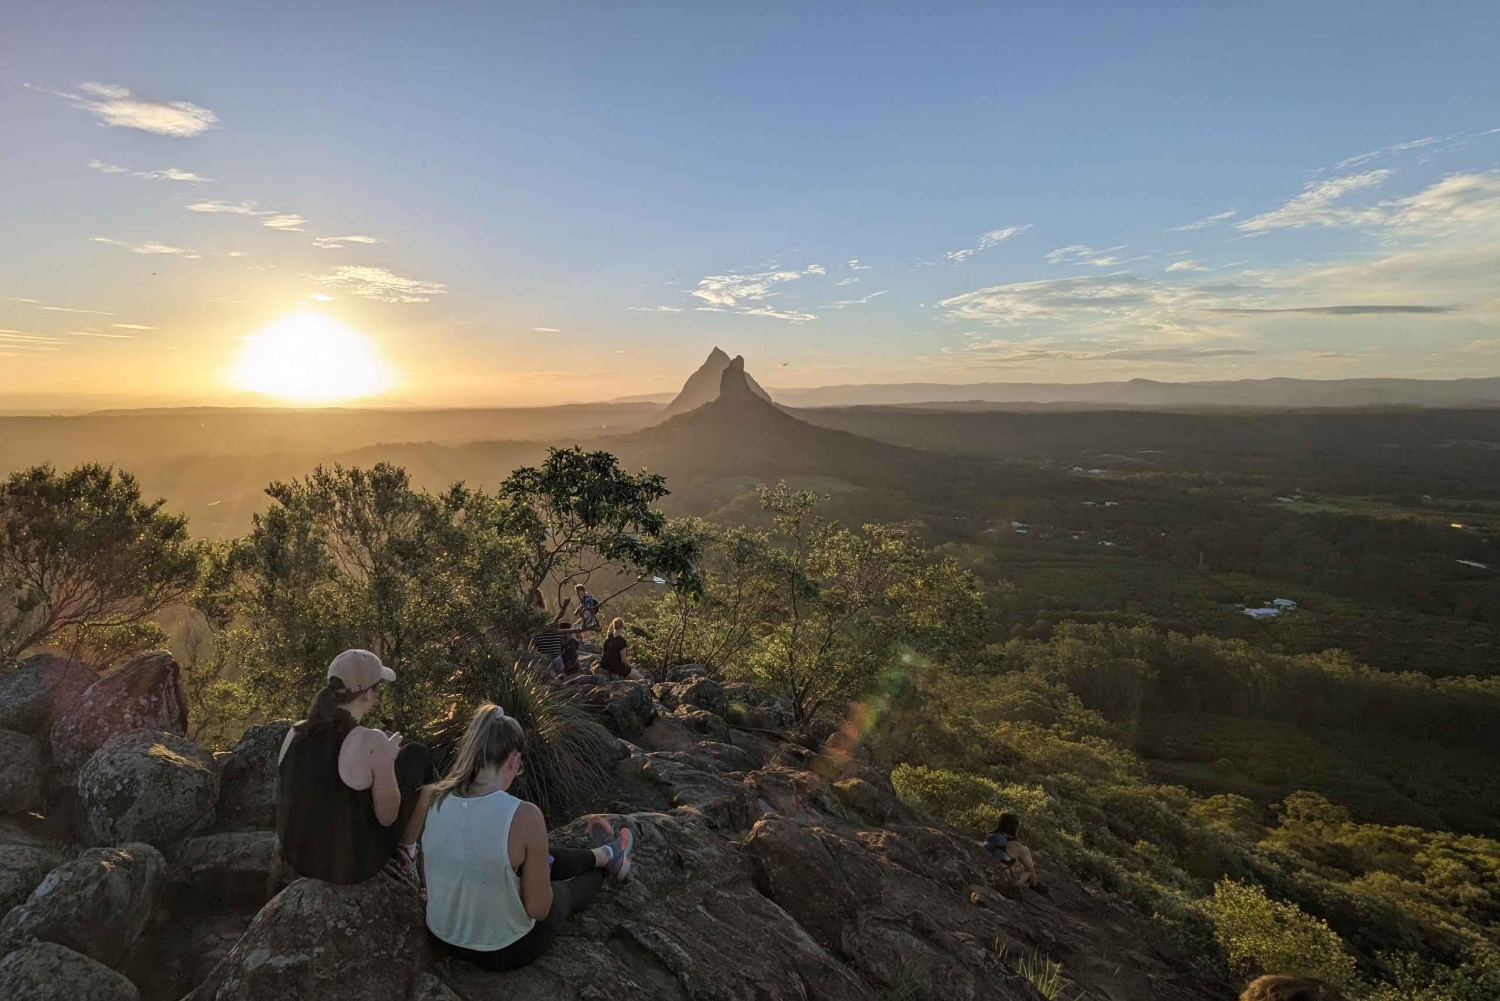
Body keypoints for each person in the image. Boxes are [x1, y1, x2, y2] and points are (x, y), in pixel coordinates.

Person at [420, 703, 634, 971]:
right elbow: (538, 909)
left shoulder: (432, 797)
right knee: (561, 891)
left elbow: (429, 875)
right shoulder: (524, 816)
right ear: (514, 760)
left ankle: (604, 854)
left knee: (537, 855)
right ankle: (611, 859)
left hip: (442, 935)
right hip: (502, 949)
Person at [277, 649, 433, 885]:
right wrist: (386, 761)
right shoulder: (370, 740)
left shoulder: (295, 731)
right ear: (368, 694)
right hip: (350, 867)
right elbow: (388, 817)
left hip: (298, 859)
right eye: (377, 689)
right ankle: (407, 852)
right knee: (417, 755)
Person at [985, 812, 1044, 892]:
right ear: (1014, 828)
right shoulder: (1016, 845)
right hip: (1005, 875)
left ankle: (1034, 884)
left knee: (1022, 861)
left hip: (989, 870)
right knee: (1030, 868)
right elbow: (1030, 868)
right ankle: (1022, 885)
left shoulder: (992, 836)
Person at [599, 617, 645, 681]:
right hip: (615, 668)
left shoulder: (609, 637)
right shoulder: (621, 641)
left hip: (604, 664)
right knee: (641, 678)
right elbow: (623, 660)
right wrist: (632, 667)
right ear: (622, 627)